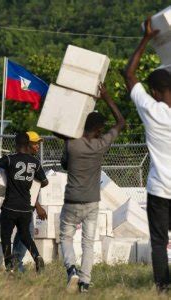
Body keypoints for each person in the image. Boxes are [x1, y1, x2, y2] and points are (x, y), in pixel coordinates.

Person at [57, 84, 125, 293]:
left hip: (71, 201)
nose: (102, 131)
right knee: (88, 242)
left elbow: (65, 165)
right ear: (97, 130)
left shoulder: (71, 143)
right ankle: (85, 283)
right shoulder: (101, 144)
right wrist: (106, 97)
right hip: (92, 202)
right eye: (101, 129)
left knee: (66, 238)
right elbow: (121, 122)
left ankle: (72, 270)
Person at [124, 17, 171, 294]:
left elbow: (129, 75)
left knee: (158, 241)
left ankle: (163, 288)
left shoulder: (151, 111)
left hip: (158, 190)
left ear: (153, 92)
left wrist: (146, 38)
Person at [0, 132, 49, 273]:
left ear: (16, 145)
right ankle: (37, 256)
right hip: (26, 207)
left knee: (6, 236)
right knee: (25, 235)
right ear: (27, 144)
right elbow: (45, 182)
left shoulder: (9, 159)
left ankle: (10, 268)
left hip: (10, 207)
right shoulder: (35, 163)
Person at [13, 131, 48, 272]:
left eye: (38, 143)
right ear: (27, 144)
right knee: (27, 233)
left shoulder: (23, 160)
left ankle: (14, 263)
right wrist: (37, 206)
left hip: (23, 205)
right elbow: (29, 188)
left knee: (22, 234)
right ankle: (16, 265)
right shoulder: (31, 163)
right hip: (25, 206)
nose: (38, 146)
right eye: (35, 143)